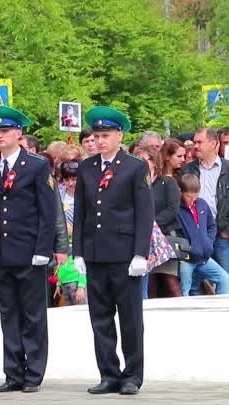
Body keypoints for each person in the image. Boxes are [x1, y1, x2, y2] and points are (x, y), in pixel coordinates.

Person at [73, 106, 153, 395]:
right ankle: (108, 373)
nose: (100, 140)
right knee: (100, 318)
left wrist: (141, 253)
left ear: (119, 135)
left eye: (105, 135)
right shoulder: (87, 168)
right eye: (96, 135)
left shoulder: (134, 166)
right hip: (95, 252)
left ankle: (132, 375)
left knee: (130, 318)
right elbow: (81, 211)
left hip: (124, 253)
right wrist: (78, 251)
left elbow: (144, 213)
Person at [0, 107, 56, 393]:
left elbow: (48, 212)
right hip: (1, 251)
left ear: (18, 134)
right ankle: (13, 372)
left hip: (28, 250)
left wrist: (43, 249)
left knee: (33, 314)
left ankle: (34, 373)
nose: (0, 136)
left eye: (5, 131)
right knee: (8, 313)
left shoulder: (36, 165)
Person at [134, 145, 182, 298]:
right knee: (150, 283)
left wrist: (151, 223)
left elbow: (173, 209)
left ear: (155, 162)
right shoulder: (134, 184)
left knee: (171, 282)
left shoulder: (167, 182)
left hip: (164, 237)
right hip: (142, 239)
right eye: (139, 159)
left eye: (146, 159)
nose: (142, 162)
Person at [181, 128, 229, 273]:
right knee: (195, 283)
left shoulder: (227, 168)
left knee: (225, 279)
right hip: (196, 233)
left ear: (214, 143)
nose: (195, 146)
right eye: (195, 142)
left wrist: (227, 230)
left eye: (200, 142)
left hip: (222, 234)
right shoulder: (188, 169)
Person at [176, 174, 229, 295]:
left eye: (196, 196)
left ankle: (220, 311)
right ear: (181, 192)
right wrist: (186, 247)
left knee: (225, 279)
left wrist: (208, 241)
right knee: (185, 291)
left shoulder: (202, 204)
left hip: (204, 257)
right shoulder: (177, 208)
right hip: (186, 259)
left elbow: (211, 225)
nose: (192, 200)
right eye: (189, 196)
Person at [55, 160, 86, 305]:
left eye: (74, 179)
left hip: (81, 243)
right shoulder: (59, 195)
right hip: (63, 246)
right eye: (67, 179)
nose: (71, 183)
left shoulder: (86, 195)